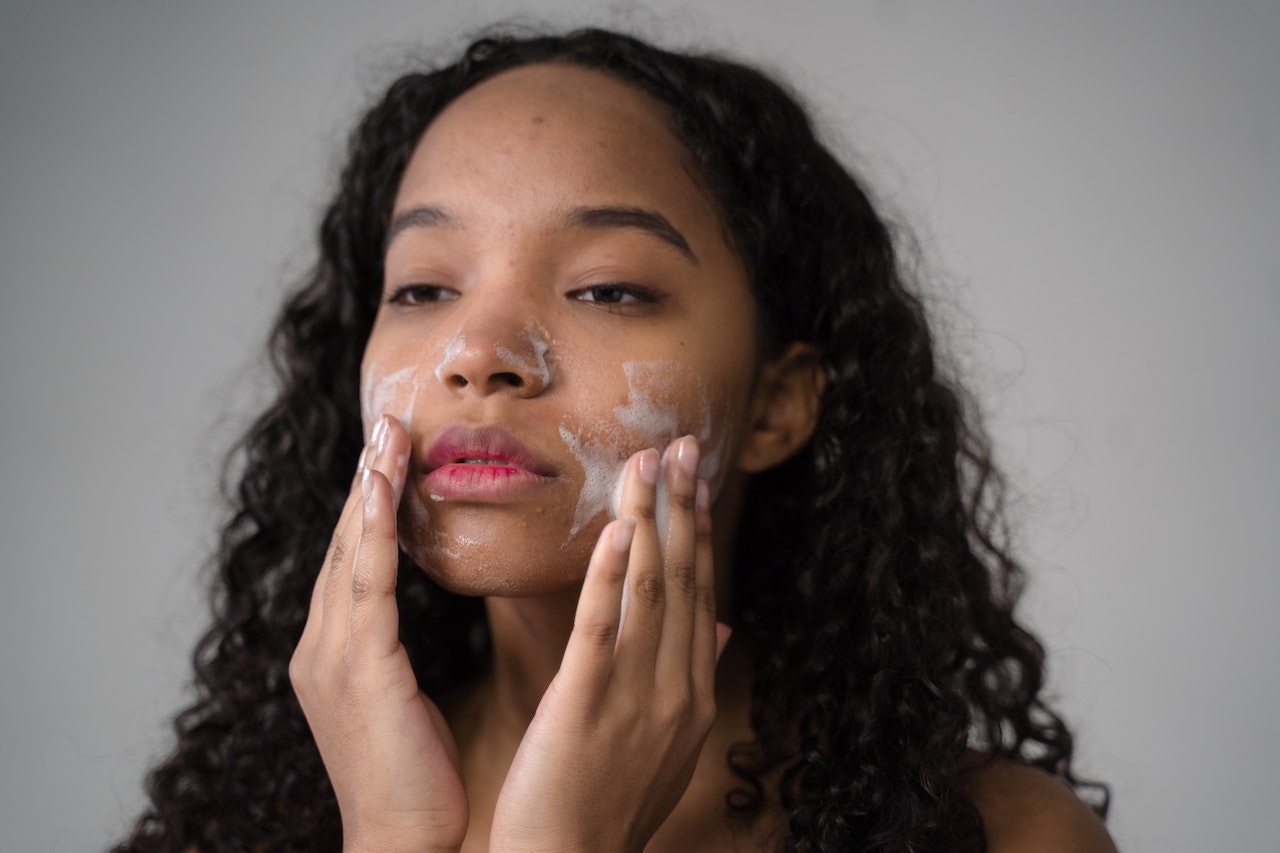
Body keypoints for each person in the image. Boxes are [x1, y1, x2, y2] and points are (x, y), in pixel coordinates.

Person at [115, 27, 1116, 852]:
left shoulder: (1003, 839)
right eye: (423, 287)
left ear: (777, 405)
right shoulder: (240, 827)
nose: (477, 352)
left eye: (606, 288)